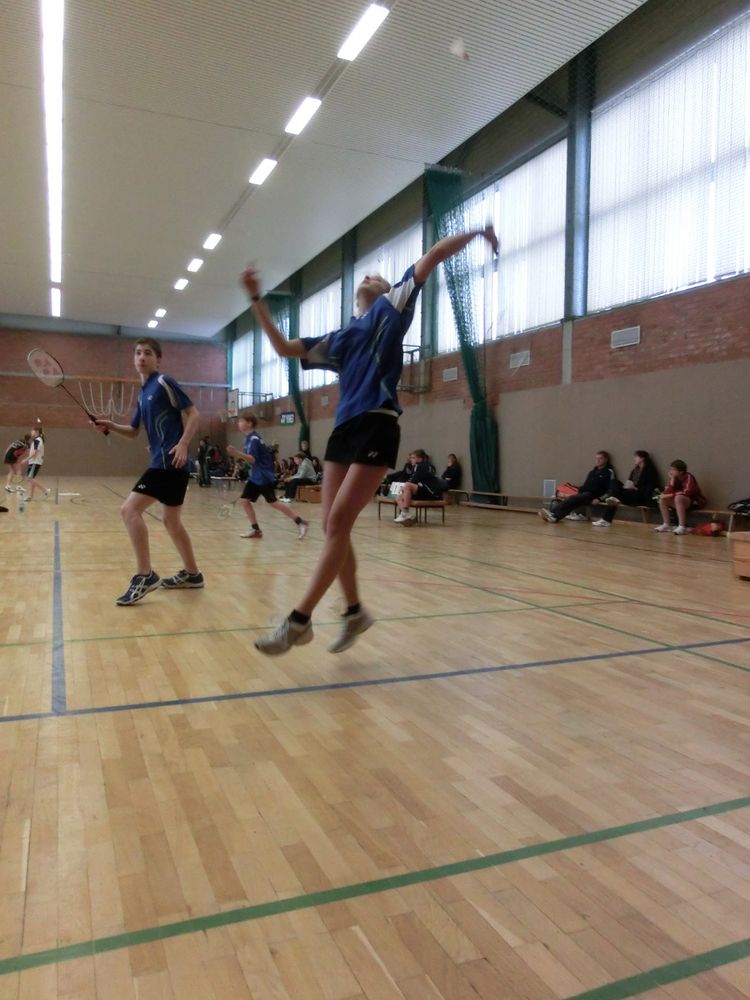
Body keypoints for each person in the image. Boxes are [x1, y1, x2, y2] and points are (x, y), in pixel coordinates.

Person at [241, 222, 498, 655]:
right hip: (343, 431)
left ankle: (299, 621)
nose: (368, 276)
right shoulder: (338, 339)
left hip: (377, 424)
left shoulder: (392, 306)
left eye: (375, 276)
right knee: (332, 527)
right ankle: (355, 610)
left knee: (339, 523)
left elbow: (434, 255)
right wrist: (255, 299)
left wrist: (476, 232)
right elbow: (283, 348)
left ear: (383, 289)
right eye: (366, 275)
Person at [91, 337, 204, 605]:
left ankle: (145, 575)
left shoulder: (164, 382)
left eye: (148, 353)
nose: (142, 357)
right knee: (171, 522)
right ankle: (193, 574)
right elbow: (133, 431)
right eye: (138, 353)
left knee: (129, 510)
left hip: (168, 462)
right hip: (167, 465)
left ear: (158, 359)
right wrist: (111, 425)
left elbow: (194, 414)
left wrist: (183, 443)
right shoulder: (143, 393)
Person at [226, 411, 308, 540]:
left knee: (273, 503)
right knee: (245, 501)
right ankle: (255, 530)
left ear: (249, 423)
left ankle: (300, 522)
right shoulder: (248, 439)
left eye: (241, 421)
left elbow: (252, 459)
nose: (238, 423)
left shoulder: (254, 439)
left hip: (263, 477)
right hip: (256, 476)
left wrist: (236, 453)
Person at [539, 450, 617, 523]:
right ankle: (555, 517)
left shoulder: (609, 472)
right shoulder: (592, 472)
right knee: (574, 501)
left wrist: (599, 499)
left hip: (595, 496)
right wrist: (579, 492)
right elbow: (586, 486)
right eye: (596, 458)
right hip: (586, 495)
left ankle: (552, 512)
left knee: (573, 499)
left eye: (600, 458)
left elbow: (611, 489)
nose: (598, 460)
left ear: (606, 459)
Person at [591, 450, 660, 527]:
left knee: (615, 497)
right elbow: (630, 481)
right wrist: (628, 486)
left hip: (640, 496)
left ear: (642, 458)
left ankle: (606, 519)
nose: (634, 459)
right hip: (631, 493)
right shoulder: (635, 470)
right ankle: (608, 514)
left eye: (636, 457)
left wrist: (636, 488)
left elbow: (650, 487)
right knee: (615, 482)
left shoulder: (650, 470)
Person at [394, 448, 449, 524]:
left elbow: (414, 481)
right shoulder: (417, 466)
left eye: (413, 458)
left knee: (407, 486)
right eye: (411, 458)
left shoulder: (422, 466)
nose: (411, 460)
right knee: (398, 497)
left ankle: (405, 513)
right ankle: (407, 515)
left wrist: (404, 488)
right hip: (422, 490)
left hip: (430, 492)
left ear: (420, 459)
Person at [654, 459, 706, 535]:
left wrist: (671, 495)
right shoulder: (673, 478)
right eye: (670, 469)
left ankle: (682, 526)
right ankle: (667, 524)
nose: (671, 471)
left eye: (673, 469)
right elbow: (667, 492)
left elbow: (687, 491)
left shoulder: (688, 476)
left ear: (681, 471)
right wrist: (672, 480)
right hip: (679, 502)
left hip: (693, 502)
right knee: (662, 499)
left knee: (678, 497)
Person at [23, 426, 51, 500]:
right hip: (34, 461)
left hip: (35, 462)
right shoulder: (37, 440)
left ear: (37, 431)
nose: (31, 432)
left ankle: (45, 490)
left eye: (32, 431)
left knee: (29, 478)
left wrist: (26, 459)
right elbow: (34, 451)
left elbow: (35, 453)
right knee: (32, 479)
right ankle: (30, 496)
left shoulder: (37, 440)